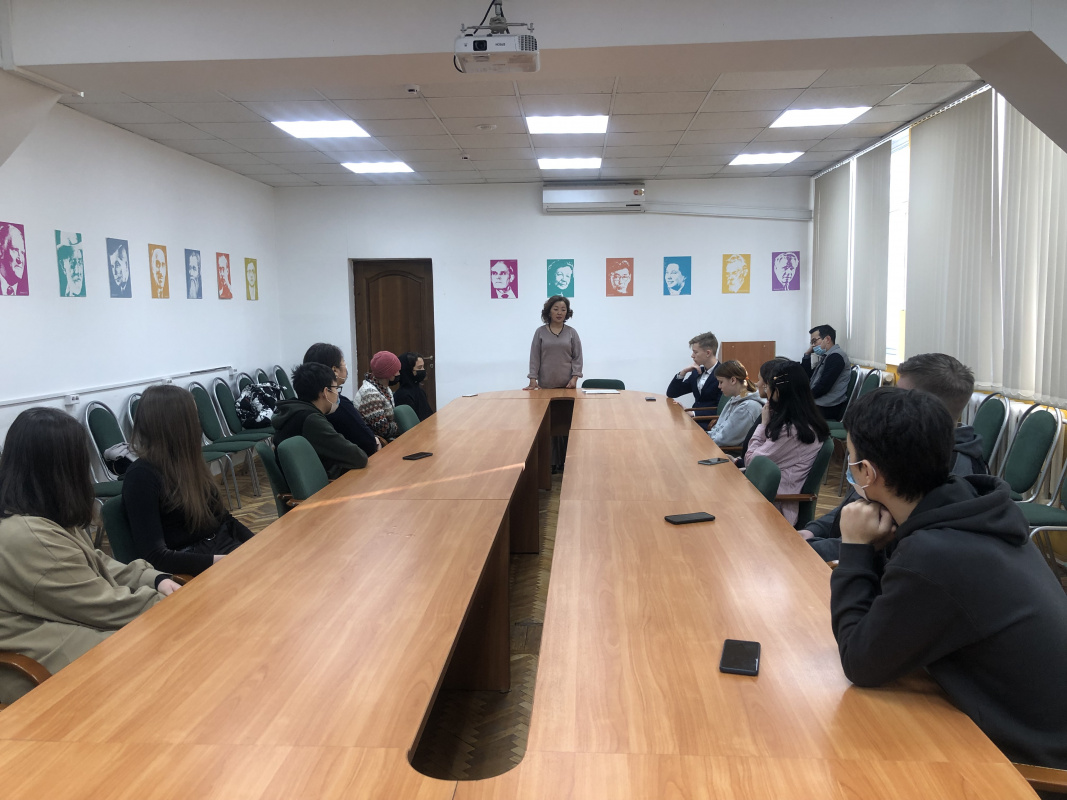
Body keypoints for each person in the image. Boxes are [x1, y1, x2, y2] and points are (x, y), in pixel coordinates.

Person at [831, 387, 1067, 771]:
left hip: (1034, 765)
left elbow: (860, 663)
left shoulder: (936, 555)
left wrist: (855, 548)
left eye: (852, 460)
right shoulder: (968, 505)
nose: (851, 468)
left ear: (867, 472)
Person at [0, 408, 179, 704]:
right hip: (44, 663)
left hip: (71, 633)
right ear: (62, 468)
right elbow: (102, 605)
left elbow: (96, 561)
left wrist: (153, 578)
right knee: (169, 658)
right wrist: (171, 605)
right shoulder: (29, 536)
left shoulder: (40, 512)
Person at [805, 353, 988, 560]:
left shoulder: (942, 467)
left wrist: (805, 548)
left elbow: (878, 541)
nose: (889, 400)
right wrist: (814, 530)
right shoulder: (901, 443)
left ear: (922, 405)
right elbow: (855, 505)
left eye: (899, 394)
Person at [123, 385, 255, 575]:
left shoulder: (189, 462)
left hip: (221, 550)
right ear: (178, 426)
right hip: (193, 567)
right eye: (194, 417)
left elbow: (223, 519)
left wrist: (256, 543)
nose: (199, 425)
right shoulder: (141, 477)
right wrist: (223, 561)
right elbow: (155, 557)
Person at [742, 360, 829, 525]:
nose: (765, 390)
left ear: (777, 392)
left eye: (768, 386)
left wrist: (763, 425)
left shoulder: (792, 431)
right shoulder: (801, 421)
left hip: (774, 508)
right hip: (763, 496)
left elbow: (752, 462)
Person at [274, 362, 371, 476]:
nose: (337, 394)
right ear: (326, 392)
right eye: (336, 388)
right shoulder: (312, 420)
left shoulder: (294, 411)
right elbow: (359, 457)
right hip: (322, 484)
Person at [302, 343, 381, 455]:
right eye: (343, 362)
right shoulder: (338, 405)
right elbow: (368, 443)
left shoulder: (306, 402)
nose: (346, 367)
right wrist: (375, 440)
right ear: (334, 370)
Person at [666, 331, 721, 430]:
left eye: (695, 352)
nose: (692, 355)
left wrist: (693, 413)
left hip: (711, 425)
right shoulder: (697, 372)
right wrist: (683, 372)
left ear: (708, 353)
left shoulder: (723, 375)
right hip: (694, 421)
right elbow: (672, 393)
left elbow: (722, 408)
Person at [526, 295, 582, 390]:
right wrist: (532, 378)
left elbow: (577, 357)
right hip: (545, 385)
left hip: (568, 385)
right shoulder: (540, 332)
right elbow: (535, 357)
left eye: (563, 310)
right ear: (549, 312)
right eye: (556, 309)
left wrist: (575, 378)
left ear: (567, 312)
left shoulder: (572, 332)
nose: (559, 313)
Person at [706, 360, 764, 447]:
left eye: (721, 382)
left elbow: (724, 440)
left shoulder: (748, 407)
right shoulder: (735, 398)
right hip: (718, 445)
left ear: (733, 380)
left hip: (729, 452)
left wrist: (704, 440)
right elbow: (719, 429)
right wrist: (704, 436)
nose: (719, 386)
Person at [802, 324, 851, 420]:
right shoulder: (827, 356)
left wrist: (805, 397)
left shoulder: (836, 357)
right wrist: (807, 355)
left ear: (827, 339)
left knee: (791, 410)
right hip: (819, 403)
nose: (813, 345)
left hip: (828, 407)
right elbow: (807, 376)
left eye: (814, 341)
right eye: (812, 342)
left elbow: (824, 386)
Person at [355, 351, 402, 441]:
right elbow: (383, 430)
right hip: (377, 442)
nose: (399, 374)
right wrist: (401, 425)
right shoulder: (370, 393)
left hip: (389, 438)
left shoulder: (383, 387)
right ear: (388, 374)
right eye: (396, 371)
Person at [394, 351, 435, 421]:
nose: (423, 370)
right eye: (419, 367)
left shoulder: (420, 391)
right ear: (408, 371)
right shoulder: (402, 396)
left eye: (423, 367)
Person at [0, 221, 29, 296]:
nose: (20, 260)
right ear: (1, 251)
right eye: (15, 250)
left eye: (22, 253)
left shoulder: (25, 291)